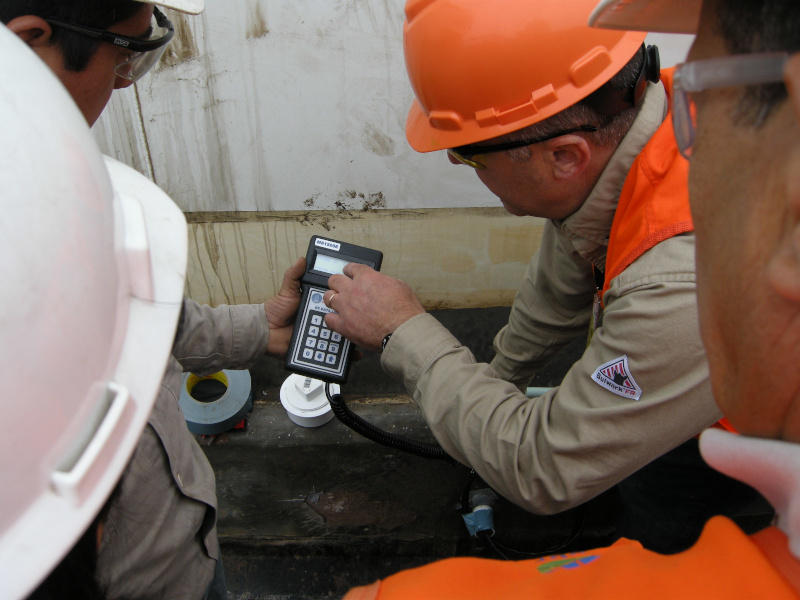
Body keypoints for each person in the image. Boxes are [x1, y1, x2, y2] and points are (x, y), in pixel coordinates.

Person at [342, 0, 800, 596]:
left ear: (564, 158)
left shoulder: (675, 282)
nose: (462, 165)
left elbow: (544, 468)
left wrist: (401, 332)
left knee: (669, 523)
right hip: (699, 395)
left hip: (723, 451)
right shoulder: (632, 137)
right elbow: (559, 281)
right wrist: (491, 389)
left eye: (466, 153)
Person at [0, 2, 305, 598]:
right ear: (30, 41)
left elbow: (125, 311)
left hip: (181, 546)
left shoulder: (48, 172)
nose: (121, 86)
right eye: (121, 62)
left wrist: (259, 328)